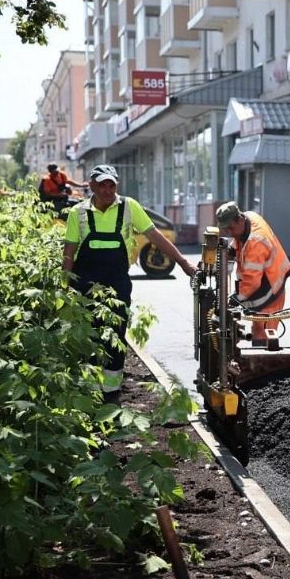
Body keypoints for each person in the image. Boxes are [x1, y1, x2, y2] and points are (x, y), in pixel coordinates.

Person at [62, 164, 195, 401]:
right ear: (91, 186)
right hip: (84, 284)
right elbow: (69, 252)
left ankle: (111, 393)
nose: (107, 190)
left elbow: (156, 237)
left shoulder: (128, 207)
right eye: (101, 184)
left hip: (117, 284)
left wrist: (184, 263)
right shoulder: (78, 213)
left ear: (117, 185)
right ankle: (91, 392)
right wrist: (64, 287)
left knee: (115, 336)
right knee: (89, 336)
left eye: (111, 184)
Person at [214, 201, 290, 343]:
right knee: (258, 328)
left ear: (240, 219)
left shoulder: (256, 242)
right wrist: (231, 250)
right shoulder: (249, 217)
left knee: (264, 336)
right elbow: (240, 239)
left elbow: (251, 282)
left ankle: (264, 362)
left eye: (231, 228)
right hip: (266, 280)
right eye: (226, 230)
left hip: (270, 289)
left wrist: (235, 299)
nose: (229, 233)